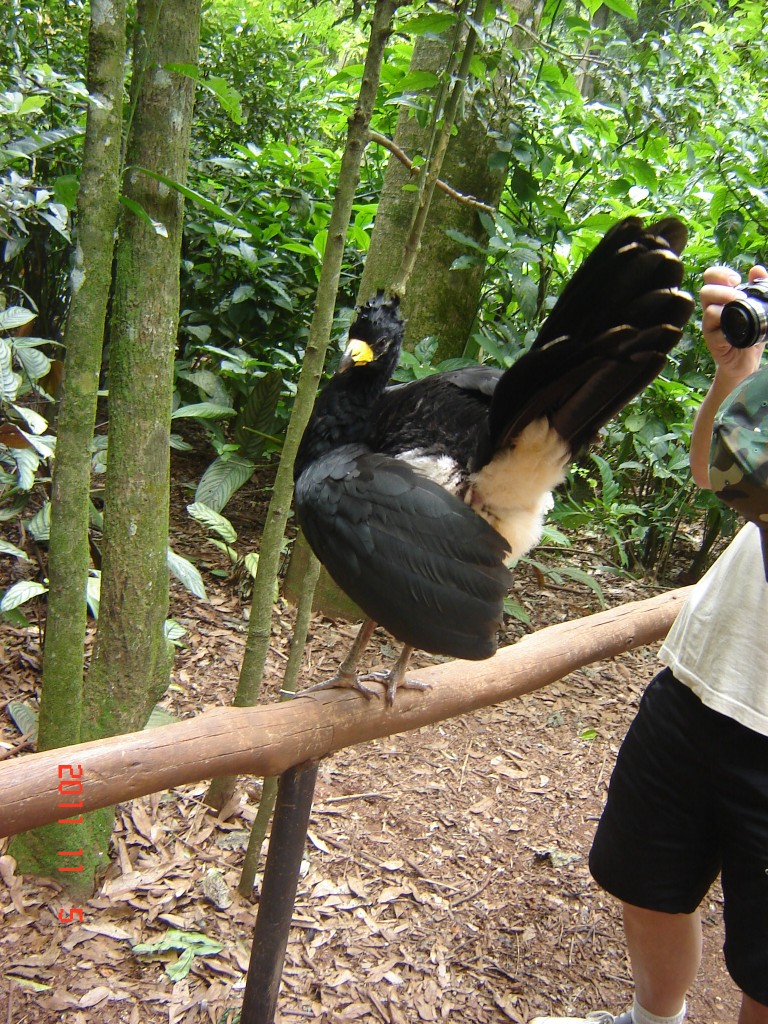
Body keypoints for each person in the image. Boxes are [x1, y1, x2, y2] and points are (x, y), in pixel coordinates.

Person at [531, 263, 768, 1024]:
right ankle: (651, 1020)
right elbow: (716, 467)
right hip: (701, 681)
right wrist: (743, 372)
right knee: (645, 877)